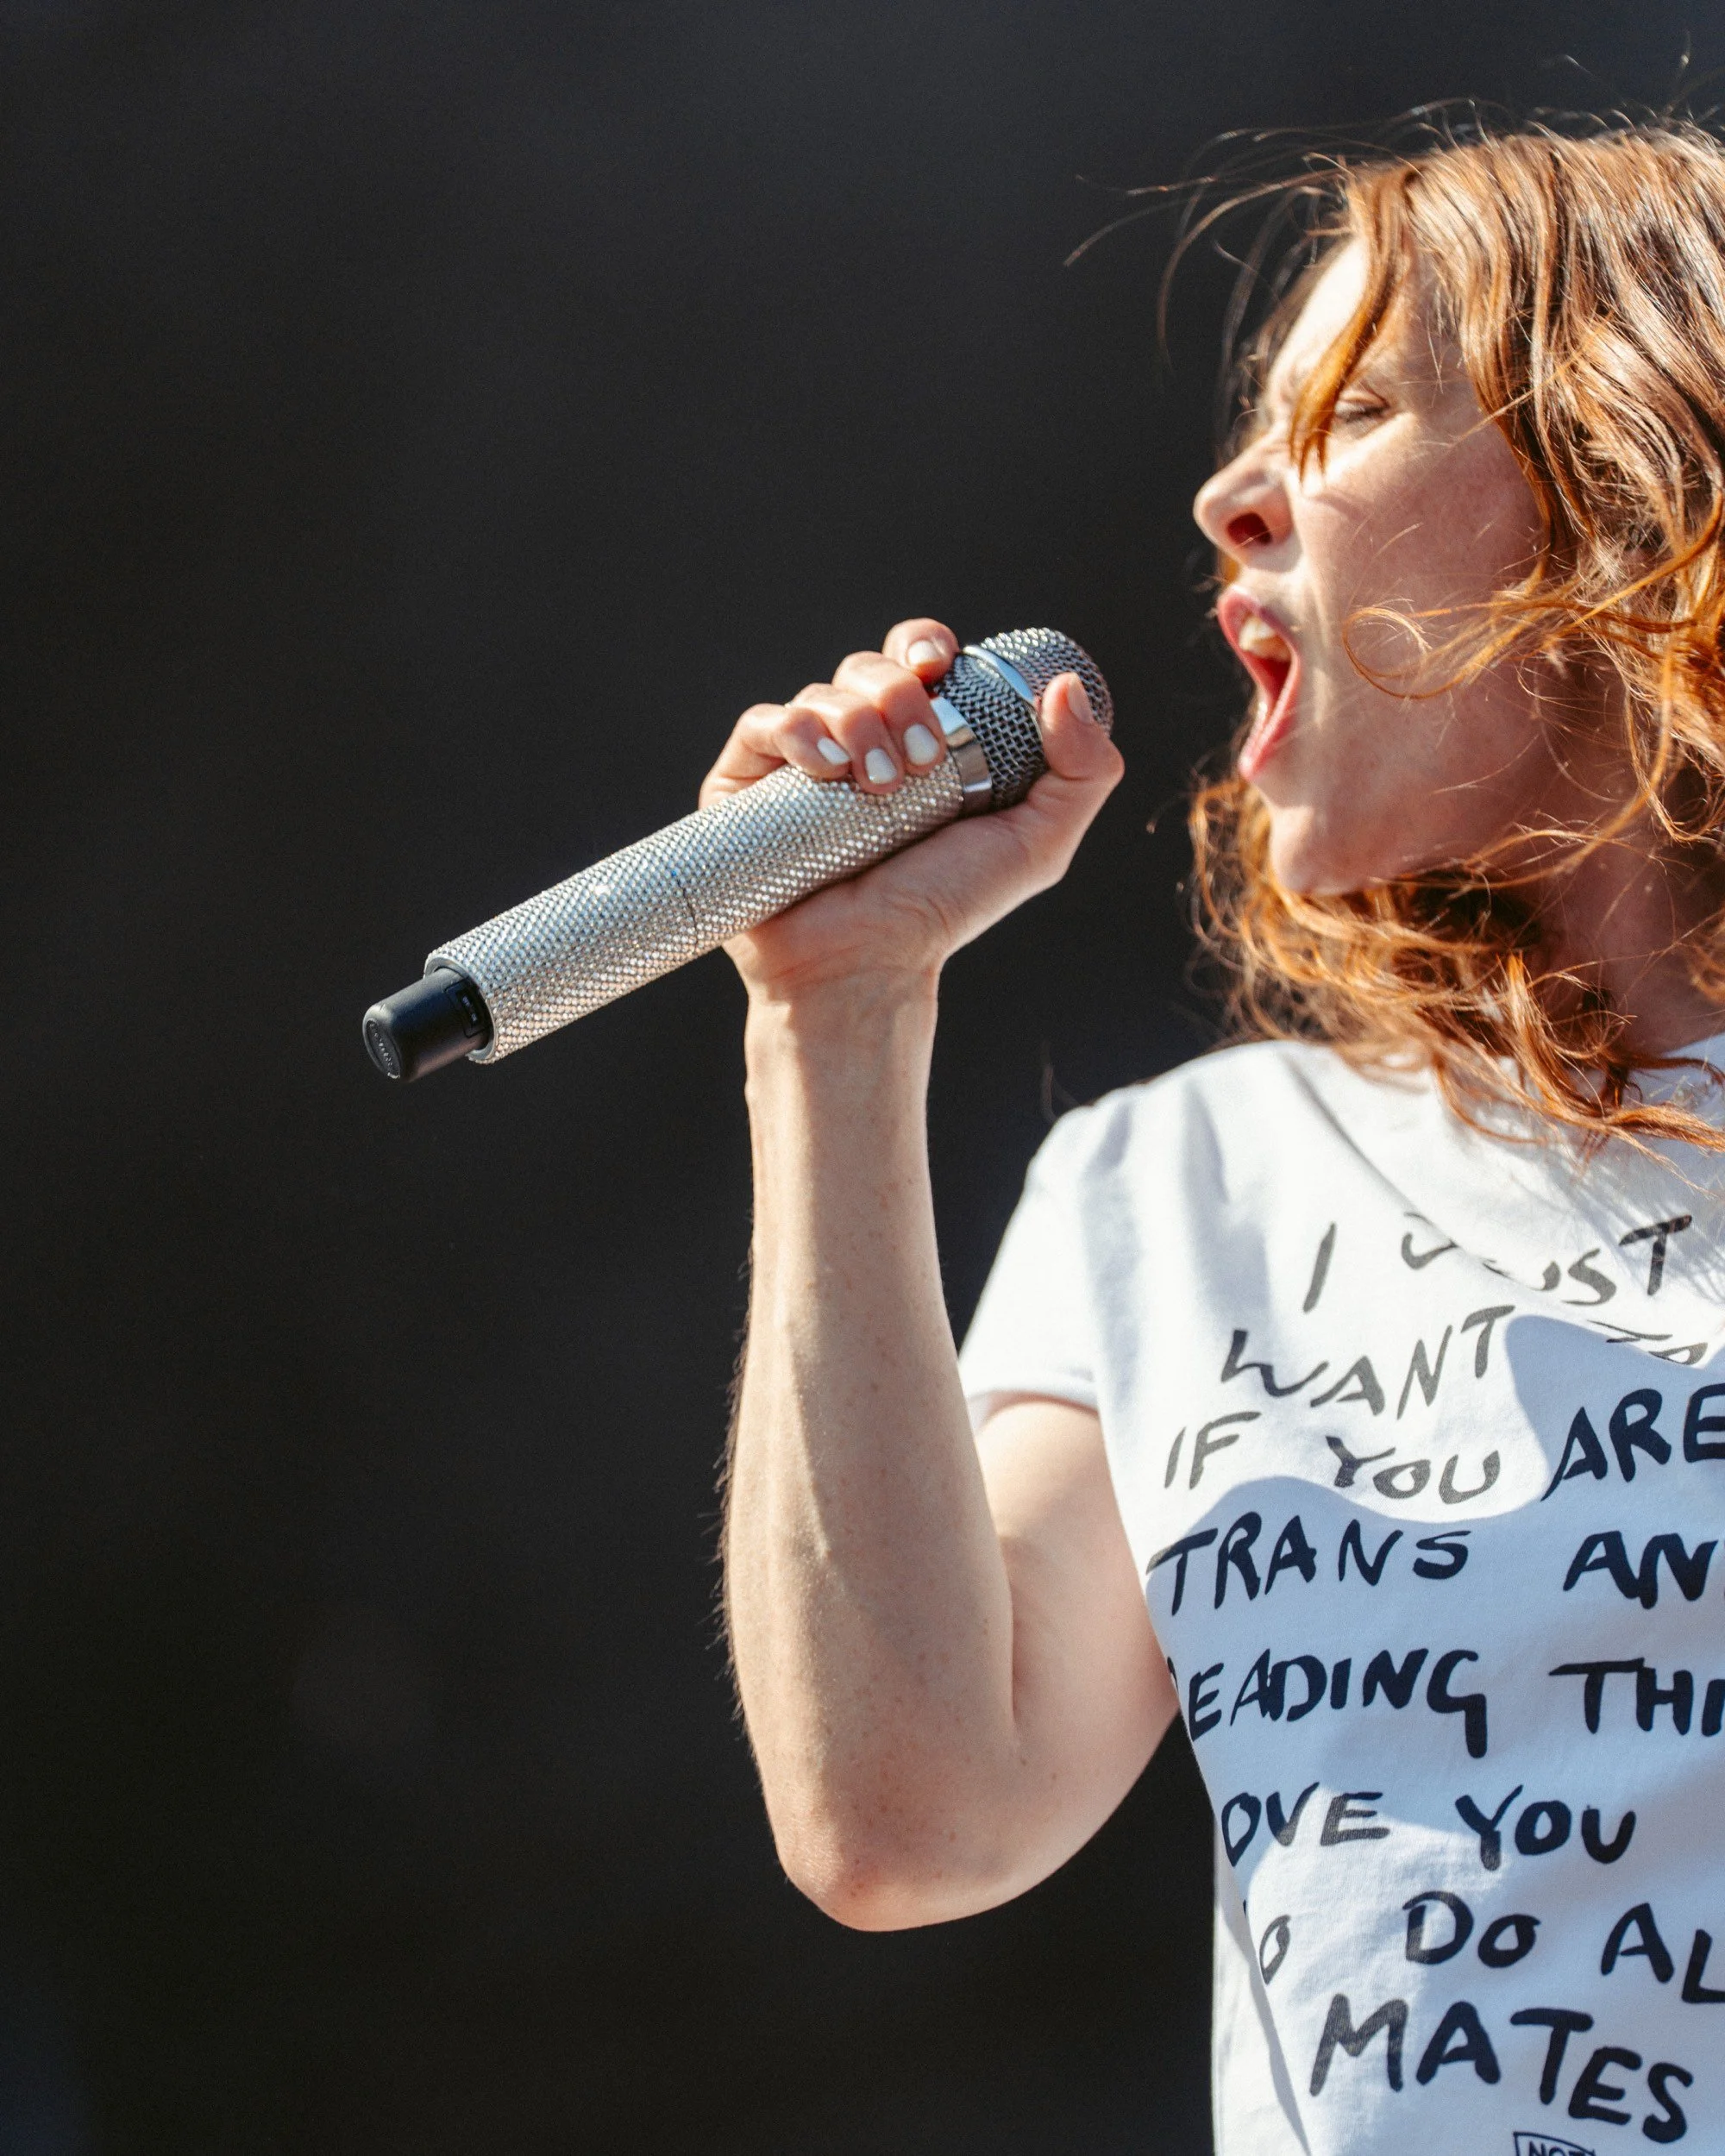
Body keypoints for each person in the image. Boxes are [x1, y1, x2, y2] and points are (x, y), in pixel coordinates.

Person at [712, 121, 1725, 2153]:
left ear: (1625, 485)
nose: (1225, 494)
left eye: (1349, 414)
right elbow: (910, 1810)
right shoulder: (1188, 1188)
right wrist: (833, 1015)